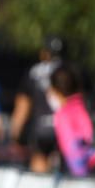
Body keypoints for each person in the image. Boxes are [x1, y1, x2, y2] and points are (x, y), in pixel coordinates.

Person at [10, 35, 65, 172]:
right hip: (64, 127)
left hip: (40, 128)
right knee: (64, 165)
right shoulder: (69, 71)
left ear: (44, 53)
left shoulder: (33, 72)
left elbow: (23, 106)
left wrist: (15, 133)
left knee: (39, 162)